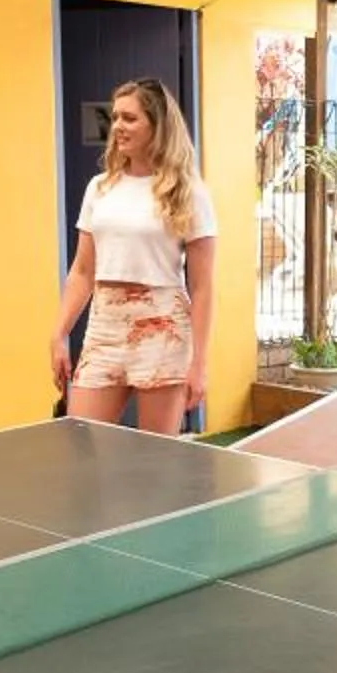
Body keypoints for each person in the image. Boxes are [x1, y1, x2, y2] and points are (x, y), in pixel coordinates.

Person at [52, 78, 216, 433]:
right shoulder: (99, 188)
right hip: (105, 324)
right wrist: (59, 333)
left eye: (129, 118)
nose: (117, 127)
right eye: (115, 118)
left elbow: (202, 287)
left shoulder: (188, 192)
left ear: (157, 125)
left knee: (155, 463)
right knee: (81, 442)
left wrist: (199, 364)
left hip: (163, 326)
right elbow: (82, 271)